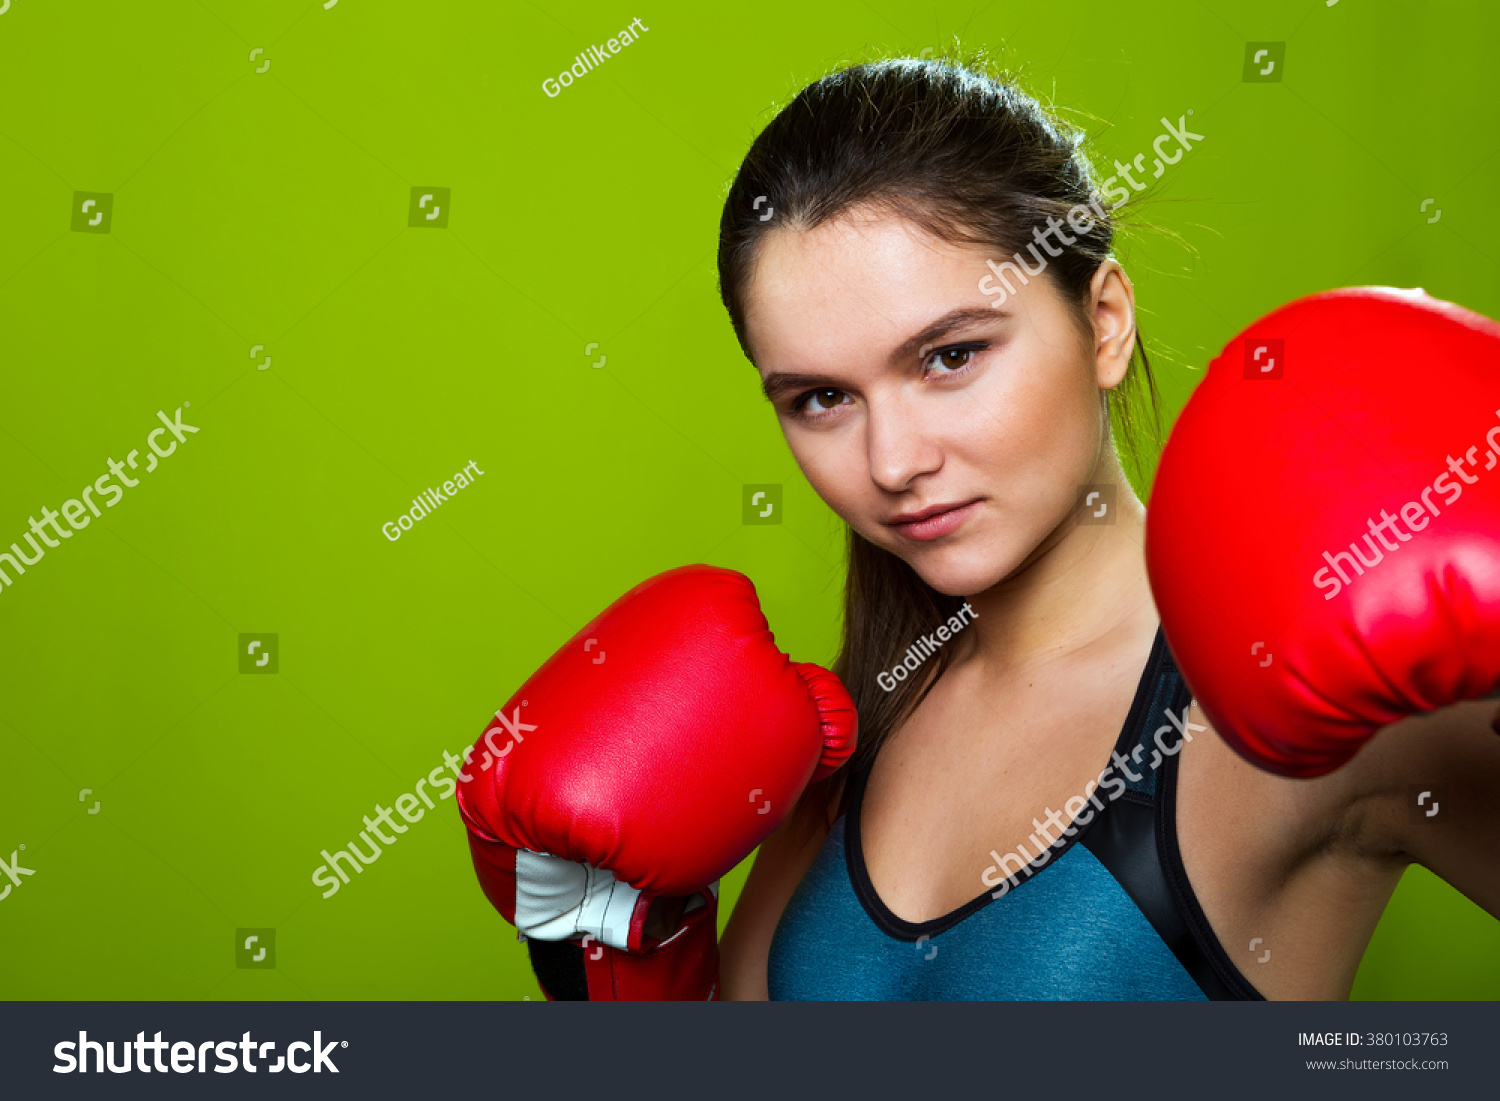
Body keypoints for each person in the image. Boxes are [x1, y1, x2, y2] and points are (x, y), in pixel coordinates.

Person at [711, 56, 1500, 1000]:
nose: (891, 462)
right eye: (823, 397)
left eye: (952, 355)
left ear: (1106, 321)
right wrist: (608, 944)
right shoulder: (852, 725)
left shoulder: (1292, 683)